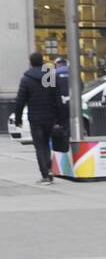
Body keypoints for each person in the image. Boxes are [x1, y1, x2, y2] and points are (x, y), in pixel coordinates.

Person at [10, 52, 68, 184]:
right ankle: (49, 170)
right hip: (50, 116)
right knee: (47, 144)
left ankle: (45, 175)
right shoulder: (49, 77)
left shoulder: (26, 78)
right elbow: (57, 98)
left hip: (35, 118)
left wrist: (18, 119)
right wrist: (60, 118)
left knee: (40, 146)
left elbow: (20, 100)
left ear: (30, 62)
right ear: (42, 62)